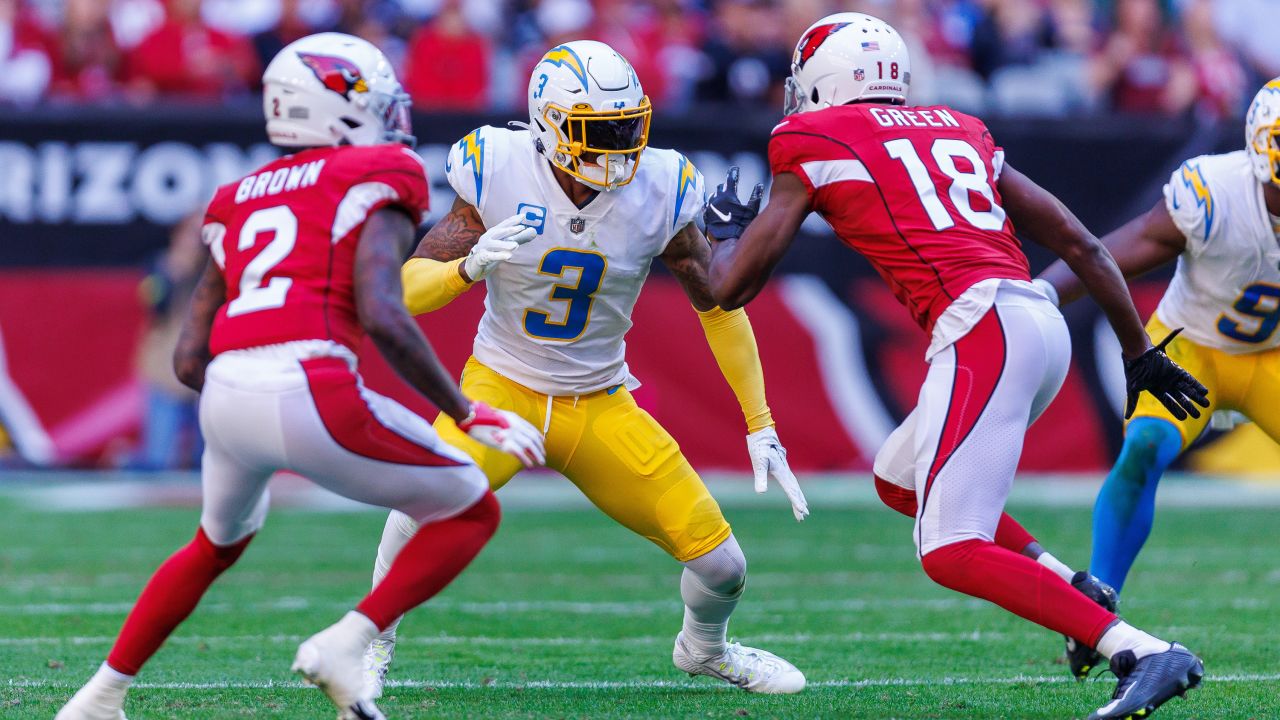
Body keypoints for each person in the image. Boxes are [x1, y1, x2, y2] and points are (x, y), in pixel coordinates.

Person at [703, 12, 1208, 720]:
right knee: (897, 477)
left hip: (982, 329)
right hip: (1036, 317)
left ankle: (1140, 650)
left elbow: (729, 288)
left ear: (821, 81)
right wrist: (1138, 352)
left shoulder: (808, 137)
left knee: (948, 549)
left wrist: (722, 233)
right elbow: (1085, 245)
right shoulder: (959, 126)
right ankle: (1075, 586)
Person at [54, 32, 544, 720]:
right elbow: (383, 310)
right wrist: (464, 411)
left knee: (213, 544)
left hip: (224, 393)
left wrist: (249, 402)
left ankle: (98, 698)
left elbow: (187, 360)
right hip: (308, 382)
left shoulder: (236, 196)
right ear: (336, 109)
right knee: (471, 507)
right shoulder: (379, 171)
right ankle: (347, 644)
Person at [363, 39, 808, 697]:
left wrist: (760, 421)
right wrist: (467, 266)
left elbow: (715, 306)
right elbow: (402, 288)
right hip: (502, 386)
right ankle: (368, 644)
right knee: (418, 508)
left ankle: (704, 649)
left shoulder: (659, 186)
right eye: (600, 133)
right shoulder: (499, 166)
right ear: (548, 127)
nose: (621, 148)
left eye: (629, 128)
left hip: (598, 401)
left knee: (724, 566)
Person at [1039, 78, 1280, 606]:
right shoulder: (1216, 193)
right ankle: (1097, 600)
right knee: (1145, 445)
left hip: (1271, 357)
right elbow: (1107, 255)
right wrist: (1042, 293)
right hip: (1192, 346)